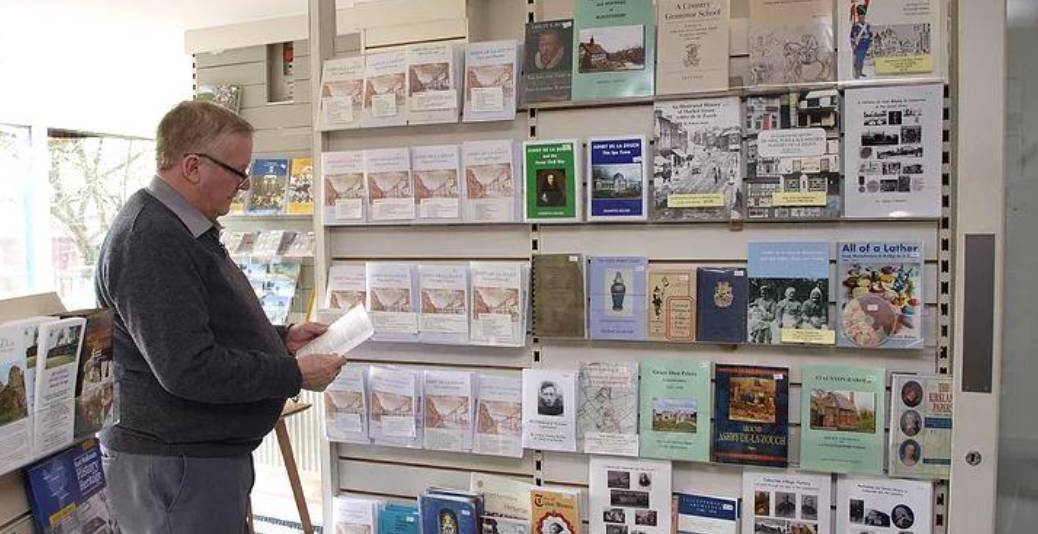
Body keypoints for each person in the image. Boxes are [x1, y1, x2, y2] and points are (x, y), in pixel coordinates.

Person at [95, 101, 347, 533]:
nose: (245, 185)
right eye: (237, 171)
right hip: (177, 466)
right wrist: (292, 374)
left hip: (198, 461)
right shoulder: (152, 238)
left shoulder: (182, 229)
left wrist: (280, 338)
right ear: (192, 166)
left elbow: (194, 325)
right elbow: (187, 367)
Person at [849, 4, 873, 79]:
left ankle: (860, 72)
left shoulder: (867, 25)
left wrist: (870, 43)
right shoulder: (855, 26)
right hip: (858, 45)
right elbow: (852, 36)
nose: (862, 18)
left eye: (863, 17)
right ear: (858, 17)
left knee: (861, 60)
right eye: (860, 17)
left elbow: (870, 34)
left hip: (865, 45)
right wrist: (853, 45)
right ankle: (857, 73)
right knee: (858, 60)